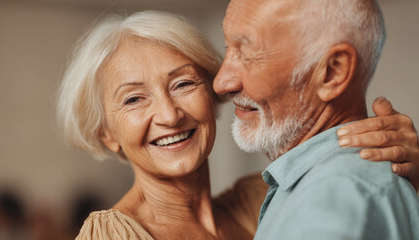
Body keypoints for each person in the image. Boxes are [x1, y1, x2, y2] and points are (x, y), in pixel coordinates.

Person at [57, 11, 419, 240]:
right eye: (134, 99)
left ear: (214, 94)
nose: (169, 115)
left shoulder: (261, 196)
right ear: (107, 134)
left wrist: (411, 177)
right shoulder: (110, 235)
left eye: (183, 84)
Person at [213, 0, 419, 239]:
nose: (221, 82)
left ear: (333, 72)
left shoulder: (335, 194)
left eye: (247, 54)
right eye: (228, 47)